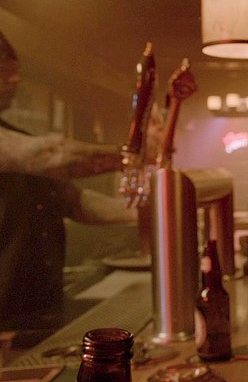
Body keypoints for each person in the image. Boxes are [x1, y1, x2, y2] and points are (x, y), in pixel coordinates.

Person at [0, 31, 155, 332]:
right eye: (5, 70)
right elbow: (51, 155)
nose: (16, 80)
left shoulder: (14, 134)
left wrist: (149, 209)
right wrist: (129, 156)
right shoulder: (19, 146)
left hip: (34, 309)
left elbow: (75, 202)